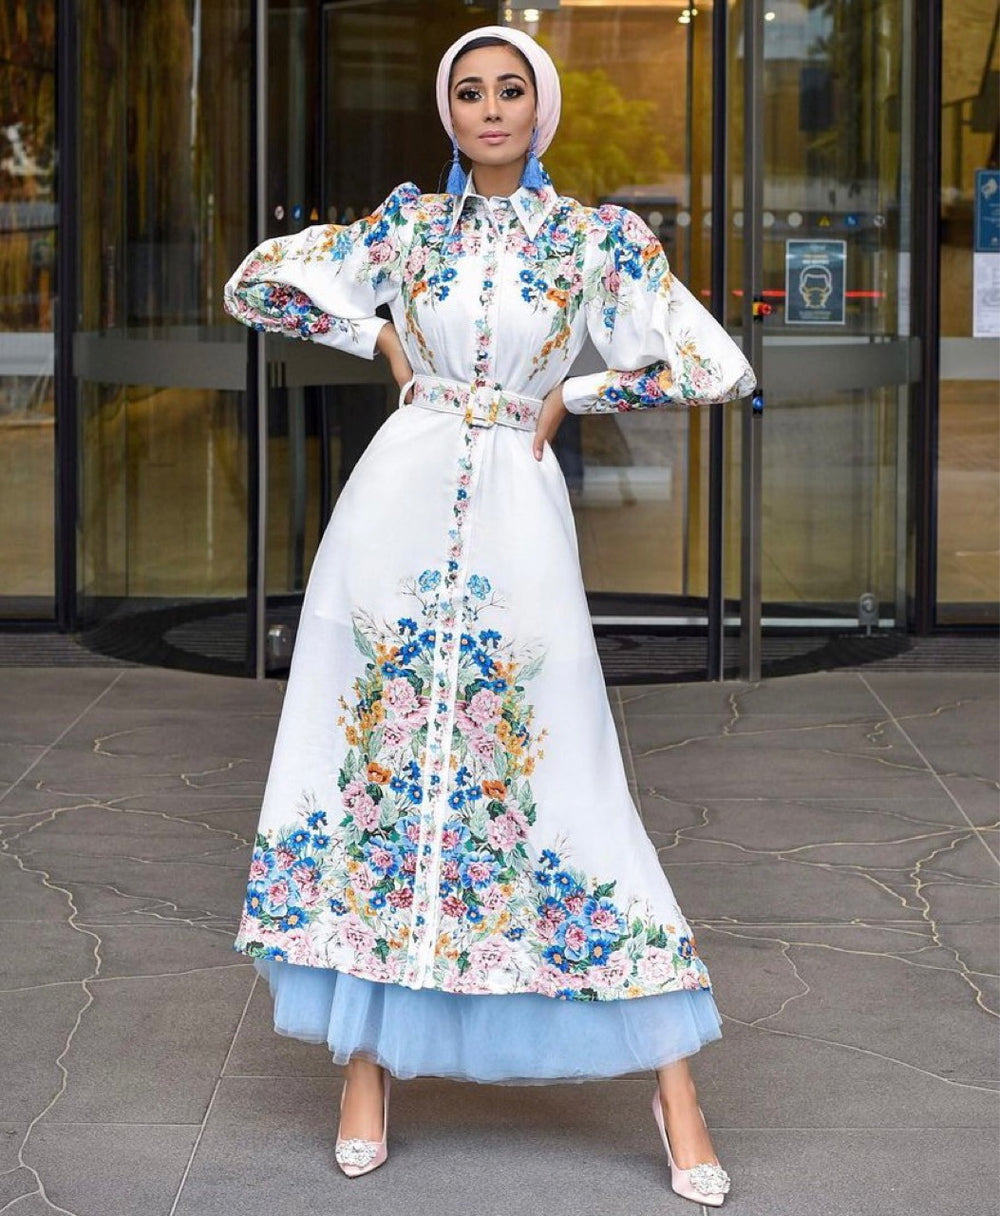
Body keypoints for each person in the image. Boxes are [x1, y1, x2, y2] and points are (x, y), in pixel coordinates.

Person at [223, 24, 755, 1207]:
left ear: (542, 108)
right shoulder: (405, 227)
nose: (491, 108)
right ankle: (365, 1076)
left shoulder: (594, 240)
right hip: (387, 537)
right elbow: (257, 282)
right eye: (468, 91)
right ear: (448, 112)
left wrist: (576, 388)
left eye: (511, 89)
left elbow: (710, 364)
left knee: (569, 786)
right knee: (377, 786)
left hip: (515, 531)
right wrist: (378, 336)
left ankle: (676, 1096)